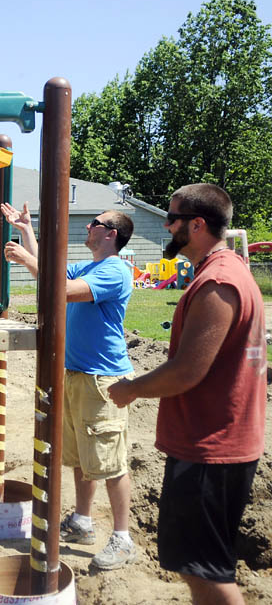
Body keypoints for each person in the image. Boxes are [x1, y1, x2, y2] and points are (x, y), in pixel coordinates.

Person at [108, 184, 266, 604]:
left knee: (205, 571)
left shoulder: (218, 282)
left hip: (211, 448)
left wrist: (130, 390)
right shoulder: (228, 272)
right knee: (202, 565)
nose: (166, 225)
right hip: (217, 442)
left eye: (172, 218)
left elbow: (186, 371)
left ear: (197, 225)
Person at [2, 201, 138, 570]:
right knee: (80, 458)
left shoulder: (114, 270)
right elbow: (52, 272)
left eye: (95, 222)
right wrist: (27, 231)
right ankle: (82, 521)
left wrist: (25, 260)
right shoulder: (92, 266)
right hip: (78, 374)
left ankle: (123, 538)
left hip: (103, 381)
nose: (89, 226)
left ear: (111, 234)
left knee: (110, 463)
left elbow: (60, 291)